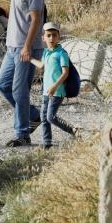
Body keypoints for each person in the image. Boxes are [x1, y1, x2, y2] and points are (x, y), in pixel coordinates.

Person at [0, 0, 44, 147]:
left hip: (26, 48)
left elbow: (35, 20)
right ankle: (33, 115)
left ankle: (23, 135)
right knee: (2, 85)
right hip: (12, 48)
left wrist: (26, 46)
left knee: (19, 90)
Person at [32, 22, 77, 150]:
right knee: (43, 118)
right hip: (46, 91)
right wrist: (29, 58)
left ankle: (74, 130)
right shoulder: (46, 52)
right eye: (48, 35)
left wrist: (54, 86)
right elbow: (41, 66)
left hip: (57, 91)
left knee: (50, 117)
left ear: (59, 37)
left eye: (54, 35)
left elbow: (65, 73)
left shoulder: (61, 53)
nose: (51, 38)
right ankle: (47, 143)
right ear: (43, 38)